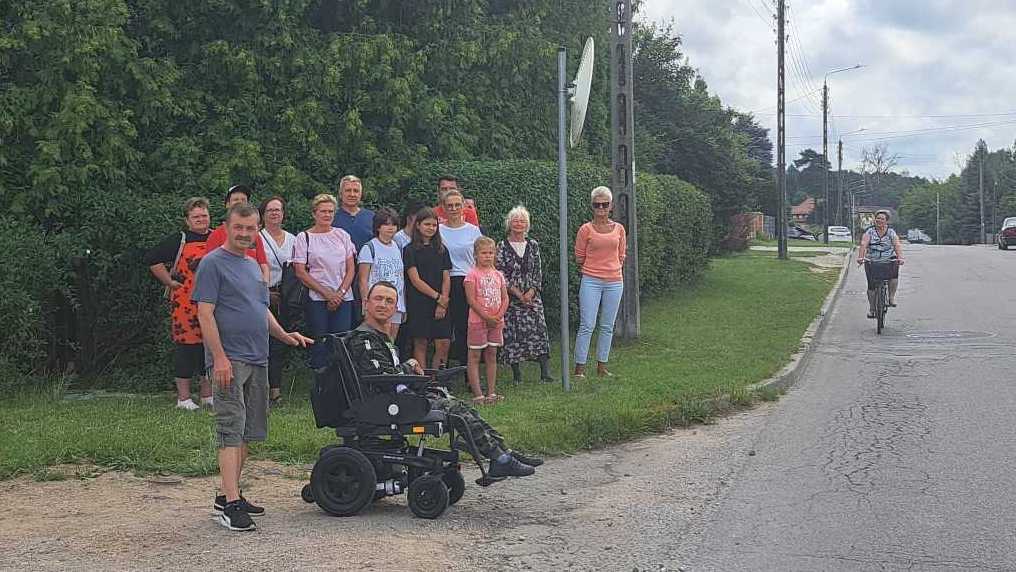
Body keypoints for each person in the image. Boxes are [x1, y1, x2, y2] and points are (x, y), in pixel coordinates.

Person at [192, 203, 313, 532]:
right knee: (230, 429)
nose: (244, 234)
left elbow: (260, 309)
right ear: (227, 227)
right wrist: (219, 357)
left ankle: (227, 495)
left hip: (258, 357)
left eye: (250, 228)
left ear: (257, 229)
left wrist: (285, 335)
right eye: (239, 228)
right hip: (229, 360)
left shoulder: (250, 265)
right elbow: (205, 314)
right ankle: (230, 506)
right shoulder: (212, 263)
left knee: (248, 431)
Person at [346, 281, 538, 478]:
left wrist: (410, 370)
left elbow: (389, 373)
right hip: (384, 405)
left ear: (395, 308)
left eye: (389, 301)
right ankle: (501, 458)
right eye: (378, 299)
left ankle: (504, 453)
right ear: (366, 303)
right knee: (456, 410)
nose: (383, 304)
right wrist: (409, 367)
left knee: (462, 407)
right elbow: (381, 378)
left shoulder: (380, 337)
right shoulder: (364, 339)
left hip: (397, 398)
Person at [145, 197, 214, 410]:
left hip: (213, 302)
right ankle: (183, 398)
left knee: (210, 346)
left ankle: (207, 394)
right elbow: (152, 259)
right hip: (185, 303)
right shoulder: (179, 240)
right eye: (196, 216)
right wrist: (169, 281)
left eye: (204, 215)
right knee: (186, 348)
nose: (201, 219)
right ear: (187, 220)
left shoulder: (217, 237)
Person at [293, 194, 357, 370]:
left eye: (330, 211)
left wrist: (339, 294)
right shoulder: (304, 237)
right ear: (314, 213)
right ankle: (321, 379)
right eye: (323, 211)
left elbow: (351, 268)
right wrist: (327, 294)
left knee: (341, 343)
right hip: (317, 299)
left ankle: (341, 379)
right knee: (320, 343)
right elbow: (300, 271)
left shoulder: (342, 235)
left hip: (343, 298)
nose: (327, 215)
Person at [573, 186, 627, 379]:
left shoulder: (619, 229)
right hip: (591, 280)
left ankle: (602, 366)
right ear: (592, 206)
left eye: (605, 204)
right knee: (587, 324)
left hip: (614, 281)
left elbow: (621, 255)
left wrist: (612, 268)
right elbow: (579, 256)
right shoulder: (585, 229)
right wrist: (595, 268)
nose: (601, 208)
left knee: (607, 325)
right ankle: (579, 369)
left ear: (611, 206)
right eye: (597, 205)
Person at [496, 206, 553, 385]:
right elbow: (500, 273)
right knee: (513, 335)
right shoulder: (502, 246)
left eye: (522, 221)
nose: (519, 224)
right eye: (515, 221)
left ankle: (545, 373)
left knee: (539, 330)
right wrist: (518, 294)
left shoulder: (533, 245)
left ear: (527, 225)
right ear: (509, 223)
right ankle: (517, 376)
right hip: (511, 298)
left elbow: (538, 271)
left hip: (532, 297)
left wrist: (531, 292)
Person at [403, 207, 453, 369]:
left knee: (443, 343)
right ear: (418, 225)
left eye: (434, 225)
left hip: (441, 303)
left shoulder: (442, 250)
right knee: (421, 343)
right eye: (427, 224)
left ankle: (437, 379)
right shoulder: (409, 250)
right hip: (419, 302)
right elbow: (415, 280)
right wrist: (437, 297)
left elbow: (446, 277)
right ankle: (423, 380)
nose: (431, 228)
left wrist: (443, 302)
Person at [259, 196, 296, 404]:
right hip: (263, 295)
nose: (274, 213)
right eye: (270, 210)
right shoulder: (257, 238)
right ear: (263, 214)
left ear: (283, 213)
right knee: (262, 343)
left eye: (278, 210)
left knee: (280, 343)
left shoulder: (293, 239)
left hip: (287, 297)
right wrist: (265, 292)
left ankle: (275, 388)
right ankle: (259, 388)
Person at [439, 189, 483, 364]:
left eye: (457, 205)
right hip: (444, 282)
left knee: (465, 328)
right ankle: (442, 371)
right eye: (450, 205)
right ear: (443, 208)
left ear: (464, 206)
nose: (454, 209)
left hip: (468, 283)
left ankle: (467, 370)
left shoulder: (473, 231)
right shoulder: (438, 230)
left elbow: (481, 258)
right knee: (444, 331)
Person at [464, 236, 509, 404]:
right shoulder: (472, 275)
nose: (488, 256)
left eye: (491, 253)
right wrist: (487, 317)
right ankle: (478, 394)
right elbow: (471, 300)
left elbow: (505, 298)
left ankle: (491, 393)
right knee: (474, 356)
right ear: (476, 255)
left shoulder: (498, 275)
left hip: (496, 322)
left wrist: (498, 316)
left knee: (491, 355)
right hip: (478, 322)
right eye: (484, 253)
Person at [205, 185, 271, 283]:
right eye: (236, 199)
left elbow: (263, 264)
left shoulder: (255, 235)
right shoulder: (215, 235)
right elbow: (210, 268)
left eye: (243, 200)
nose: (240, 202)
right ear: (227, 204)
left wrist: (264, 284)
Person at [357, 207, 406, 340]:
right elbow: (363, 280)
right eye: (386, 224)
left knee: (391, 342)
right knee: (376, 340)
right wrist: (365, 304)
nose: (391, 228)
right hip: (377, 303)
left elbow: (400, 277)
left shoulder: (397, 247)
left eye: (394, 224)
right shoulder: (369, 248)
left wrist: (402, 306)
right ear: (378, 227)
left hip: (396, 304)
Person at [332, 175, 374, 325]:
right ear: (340, 193)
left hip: (367, 278)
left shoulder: (371, 217)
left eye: (356, 191)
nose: (352, 194)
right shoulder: (332, 217)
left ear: (361, 194)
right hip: (338, 280)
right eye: (348, 190)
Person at [856, 209, 905, 318]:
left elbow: (896, 245)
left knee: (894, 276)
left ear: (887, 221)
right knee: (871, 286)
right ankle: (872, 309)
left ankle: (891, 298)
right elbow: (863, 244)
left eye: (882, 219)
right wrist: (860, 257)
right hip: (872, 260)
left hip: (889, 259)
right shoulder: (870, 232)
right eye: (877, 218)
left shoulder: (891, 232)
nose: (879, 220)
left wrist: (900, 257)